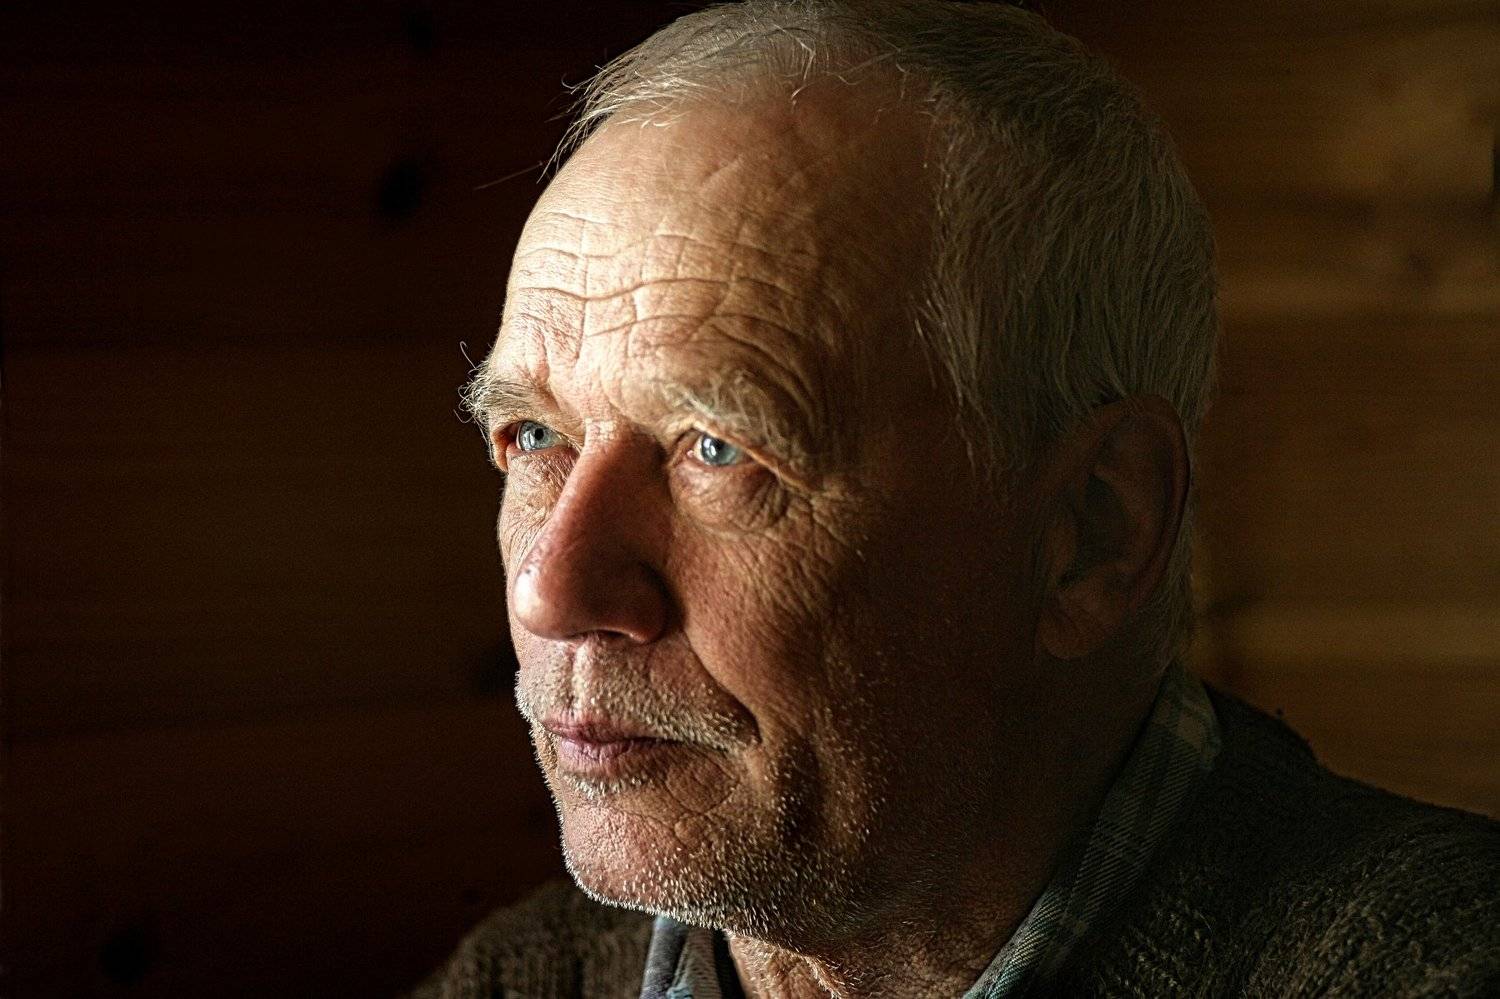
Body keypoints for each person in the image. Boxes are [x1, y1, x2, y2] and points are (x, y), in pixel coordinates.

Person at [418, 2, 1500, 996]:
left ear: (1094, 533)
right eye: (536, 436)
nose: (550, 591)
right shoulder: (524, 979)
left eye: (719, 449)